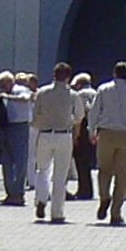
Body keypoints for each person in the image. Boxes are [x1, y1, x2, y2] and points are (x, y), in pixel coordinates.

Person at [88, 61, 126, 224]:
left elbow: (94, 111)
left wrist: (92, 131)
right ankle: (116, 212)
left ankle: (104, 196)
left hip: (106, 133)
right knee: (123, 174)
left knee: (104, 169)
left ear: (114, 73)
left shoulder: (103, 89)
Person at [32, 62, 78, 221]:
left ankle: (41, 199)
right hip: (64, 134)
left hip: (44, 134)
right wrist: (70, 121)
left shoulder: (42, 92)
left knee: (42, 170)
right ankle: (57, 212)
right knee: (60, 175)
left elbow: (35, 114)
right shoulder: (72, 95)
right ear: (68, 77)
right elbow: (79, 116)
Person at [0, 71, 34, 204]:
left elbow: (26, 98)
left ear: (11, 81)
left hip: (20, 127)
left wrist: (9, 97)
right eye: (0, 84)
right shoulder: (2, 95)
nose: (2, 87)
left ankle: (18, 193)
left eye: (3, 83)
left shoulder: (20, 90)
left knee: (20, 161)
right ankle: (9, 192)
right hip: (7, 127)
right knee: (7, 161)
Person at [70, 72, 96, 200]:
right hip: (94, 129)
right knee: (87, 162)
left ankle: (84, 190)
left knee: (81, 162)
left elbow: (81, 113)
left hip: (83, 130)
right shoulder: (96, 93)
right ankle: (87, 189)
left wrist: (76, 135)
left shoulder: (80, 95)